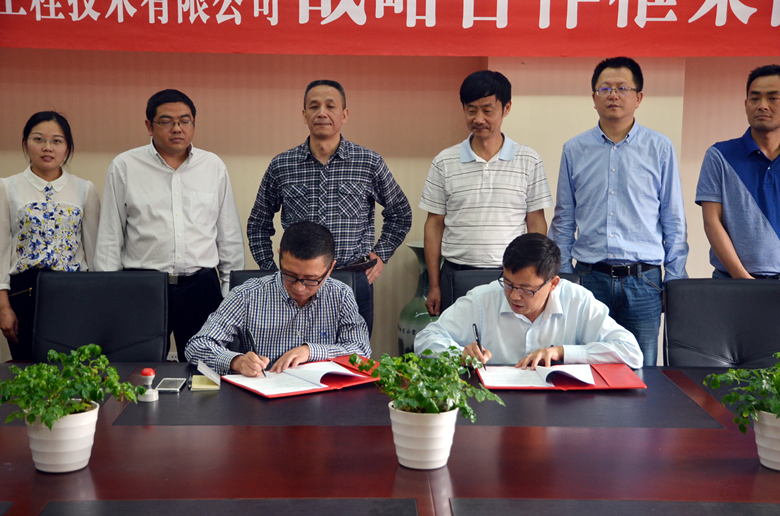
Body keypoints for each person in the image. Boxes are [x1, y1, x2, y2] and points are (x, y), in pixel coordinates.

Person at [548, 56, 688, 367]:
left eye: (623, 88)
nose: (613, 95)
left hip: (644, 281)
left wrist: (675, 281)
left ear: (638, 97)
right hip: (589, 279)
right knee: (584, 365)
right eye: (605, 88)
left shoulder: (660, 148)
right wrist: (564, 277)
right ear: (593, 97)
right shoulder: (574, 149)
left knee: (642, 369)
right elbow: (563, 220)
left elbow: (674, 221)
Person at [246, 79, 412, 336]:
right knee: (294, 351)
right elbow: (258, 223)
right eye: (314, 106)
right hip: (298, 284)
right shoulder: (282, 165)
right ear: (304, 115)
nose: (322, 113)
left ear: (344, 115)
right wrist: (270, 268)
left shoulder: (368, 162)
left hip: (354, 278)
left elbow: (400, 213)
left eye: (330, 106)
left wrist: (381, 254)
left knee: (353, 354)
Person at [94, 89, 244, 361]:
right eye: (166, 121)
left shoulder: (213, 166)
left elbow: (228, 234)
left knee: (206, 368)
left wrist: (229, 289)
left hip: (201, 287)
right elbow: (109, 236)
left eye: (185, 121)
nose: (177, 128)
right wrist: (109, 294)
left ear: (193, 124)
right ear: (149, 126)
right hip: (142, 287)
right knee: (138, 366)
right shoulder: (125, 166)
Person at [420, 70, 553, 316]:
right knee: (457, 339)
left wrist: (533, 278)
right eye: (471, 110)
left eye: (487, 110)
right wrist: (434, 285)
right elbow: (434, 225)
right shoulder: (444, 161)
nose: (478, 118)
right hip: (455, 274)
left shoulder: (529, 160)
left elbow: (536, 222)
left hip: (510, 278)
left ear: (506, 108)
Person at [414, 233, 642, 370]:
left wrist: (562, 352)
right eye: (508, 283)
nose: (514, 295)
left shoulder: (578, 301)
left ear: (553, 283)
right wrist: (459, 354)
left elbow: (631, 352)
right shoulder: (482, 299)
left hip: (559, 409)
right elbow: (425, 338)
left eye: (526, 289)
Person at [186, 221, 370, 376]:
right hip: (262, 396)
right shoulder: (246, 295)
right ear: (280, 256)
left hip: (322, 396)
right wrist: (237, 362)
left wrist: (310, 351)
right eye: (289, 275)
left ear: (330, 269)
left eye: (311, 279)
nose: (299, 287)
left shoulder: (341, 295)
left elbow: (361, 351)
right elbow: (197, 346)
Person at [0, 112, 100, 362]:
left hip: (73, 292)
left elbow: (95, 252)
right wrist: (3, 307)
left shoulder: (84, 189)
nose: (47, 147)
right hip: (24, 292)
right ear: (25, 143)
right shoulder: (7, 187)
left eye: (57, 141)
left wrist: (98, 303)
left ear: (67, 147)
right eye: (38, 139)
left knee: (73, 368)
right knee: (27, 369)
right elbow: (1, 249)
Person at [696, 64, 780, 279]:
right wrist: (743, 280)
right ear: (745, 104)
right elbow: (712, 222)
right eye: (755, 98)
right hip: (731, 282)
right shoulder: (720, 155)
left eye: (773, 98)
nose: (762, 106)